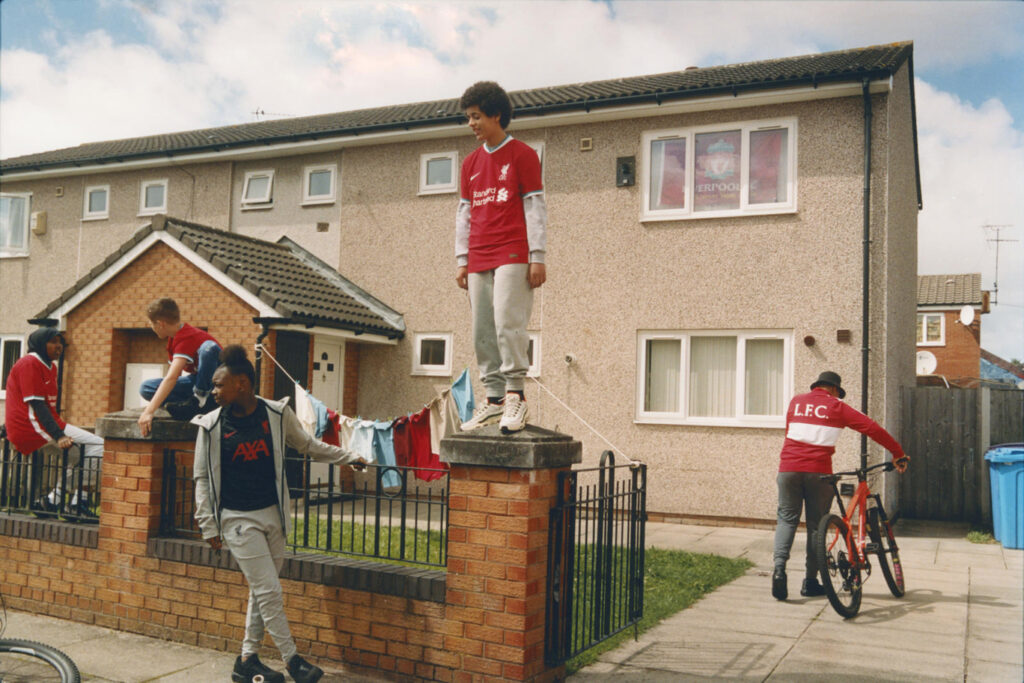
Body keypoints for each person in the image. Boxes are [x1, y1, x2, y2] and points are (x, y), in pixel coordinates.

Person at [193, 345, 367, 683]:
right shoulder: (211, 425)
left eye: (219, 385)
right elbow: (202, 477)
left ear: (242, 383)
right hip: (237, 520)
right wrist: (207, 524)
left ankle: (247, 661)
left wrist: (348, 457)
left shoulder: (275, 414)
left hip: (274, 516)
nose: (213, 391)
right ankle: (293, 662)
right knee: (270, 591)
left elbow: (308, 445)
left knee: (262, 590)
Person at [455, 80, 547, 434]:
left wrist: (537, 255)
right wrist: (461, 259)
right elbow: (464, 214)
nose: (472, 124)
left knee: (508, 323)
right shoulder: (470, 164)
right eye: (468, 118)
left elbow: (535, 207)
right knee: (483, 329)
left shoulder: (523, 155)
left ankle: (515, 396)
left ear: (496, 115)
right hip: (479, 254)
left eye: (476, 116)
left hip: (513, 250)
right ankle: (493, 400)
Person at [772, 371, 909, 601]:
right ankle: (811, 581)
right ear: (835, 390)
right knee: (817, 527)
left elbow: (789, 432)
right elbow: (872, 429)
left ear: (817, 386)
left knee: (787, 519)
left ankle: (778, 570)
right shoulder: (837, 406)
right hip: (819, 472)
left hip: (788, 469)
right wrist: (898, 452)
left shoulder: (796, 401)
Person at [3, 328, 104, 519]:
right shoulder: (30, 363)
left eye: (61, 342)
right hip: (32, 426)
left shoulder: (51, 367)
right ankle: (55, 501)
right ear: (41, 344)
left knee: (84, 457)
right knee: (100, 447)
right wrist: (59, 435)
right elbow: (37, 404)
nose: (59, 346)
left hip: (42, 423)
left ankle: (72, 504)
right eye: (53, 341)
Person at [138, 297, 221, 435]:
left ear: (160, 324)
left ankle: (200, 400)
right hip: (197, 381)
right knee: (147, 388)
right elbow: (174, 379)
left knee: (208, 348)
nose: (151, 327)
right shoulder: (174, 339)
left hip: (219, 383)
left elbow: (172, 377)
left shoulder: (187, 336)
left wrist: (148, 412)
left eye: (151, 324)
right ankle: (194, 402)